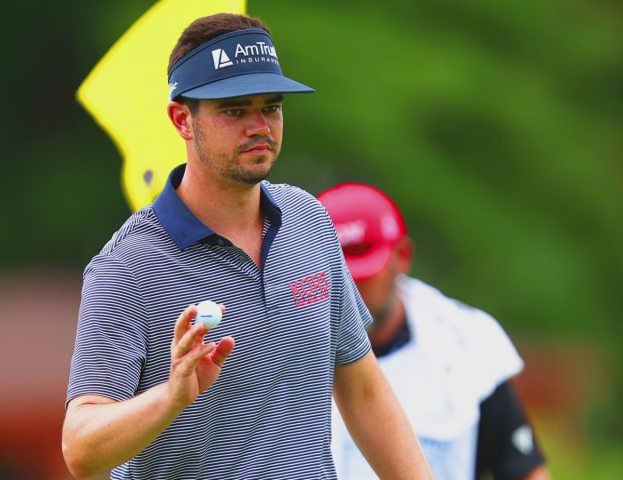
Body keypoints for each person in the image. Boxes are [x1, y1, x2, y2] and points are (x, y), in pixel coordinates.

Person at [62, 14, 433, 480]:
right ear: (182, 120)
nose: (260, 126)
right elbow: (79, 446)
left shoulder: (310, 221)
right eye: (235, 110)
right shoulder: (127, 267)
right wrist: (170, 396)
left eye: (271, 107)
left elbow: (362, 392)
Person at [318, 182, 552, 480]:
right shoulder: (277, 350)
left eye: (363, 272)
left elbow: (523, 471)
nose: (348, 289)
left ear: (402, 256)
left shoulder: (467, 344)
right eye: (335, 273)